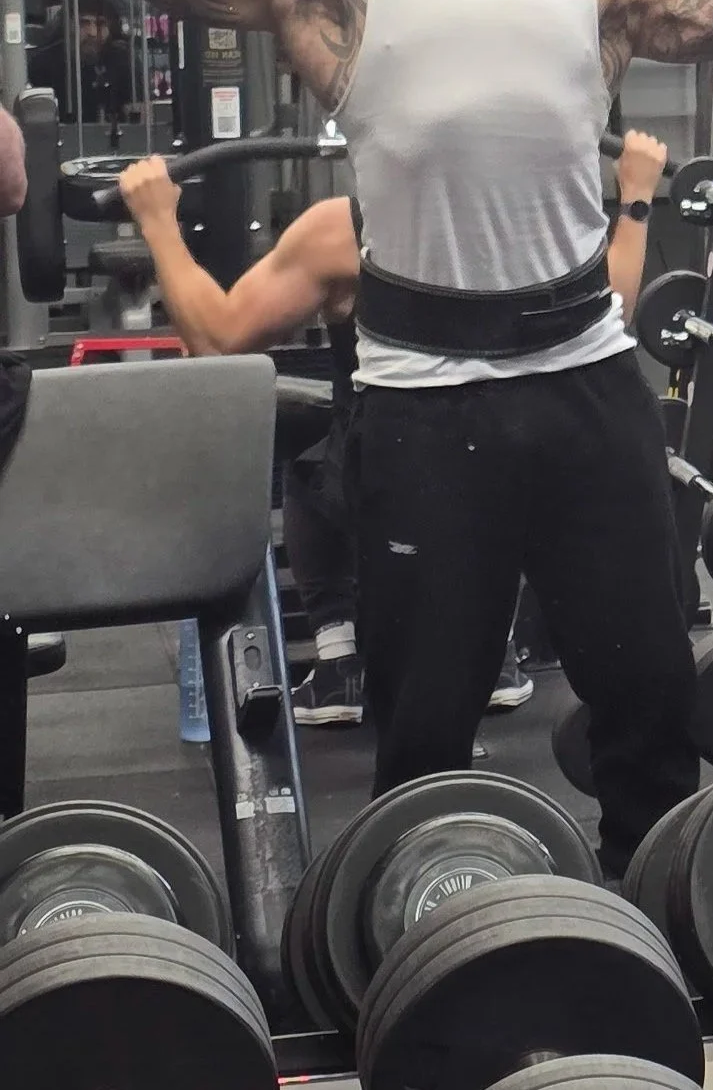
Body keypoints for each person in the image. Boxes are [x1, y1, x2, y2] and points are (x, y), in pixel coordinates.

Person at [66, 0, 713, 874]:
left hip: (585, 382)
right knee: (426, 719)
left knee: (651, 691)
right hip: (426, 401)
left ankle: (655, 920)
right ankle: (435, 935)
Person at [117, 131, 670, 728]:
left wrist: (158, 223)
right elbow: (609, 311)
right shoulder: (542, 228)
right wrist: (635, 200)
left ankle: (338, 659)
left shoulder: (343, 231)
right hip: (532, 489)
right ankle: (498, 650)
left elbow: (215, 339)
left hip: (406, 493)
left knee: (316, 456)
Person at [26, 0, 135, 122]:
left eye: (101, 23)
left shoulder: (124, 61)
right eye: (83, 23)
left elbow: (138, 116)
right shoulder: (43, 64)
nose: (93, 33)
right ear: (67, 26)